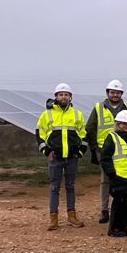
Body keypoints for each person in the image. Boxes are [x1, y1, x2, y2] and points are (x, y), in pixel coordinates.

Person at [36, 83, 87, 231]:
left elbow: (83, 134)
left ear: (70, 97)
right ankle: (53, 218)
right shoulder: (47, 114)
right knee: (54, 187)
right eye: (61, 94)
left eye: (66, 94)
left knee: (70, 187)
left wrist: (80, 151)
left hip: (72, 157)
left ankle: (72, 216)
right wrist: (46, 151)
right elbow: (40, 134)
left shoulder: (77, 114)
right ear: (56, 97)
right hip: (55, 157)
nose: (63, 97)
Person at [84, 79, 127, 224]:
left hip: (124, 150)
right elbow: (90, 128)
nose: (115, 95)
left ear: (121, 94)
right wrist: (94, 148)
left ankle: (123, 209)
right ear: (108, 93)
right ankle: (104, 210)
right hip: (104, 150)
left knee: (125, 179)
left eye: (118, 92)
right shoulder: (99, 108)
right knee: (105, 180)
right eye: (112, 92)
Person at [99, 110, 127, 237]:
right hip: (119, 176)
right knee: (119, 203)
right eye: (124, 124)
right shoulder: (112, 137)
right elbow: (105, 158)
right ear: (118, 124)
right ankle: (114, 229)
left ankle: (123, 227)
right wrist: (111, 174)